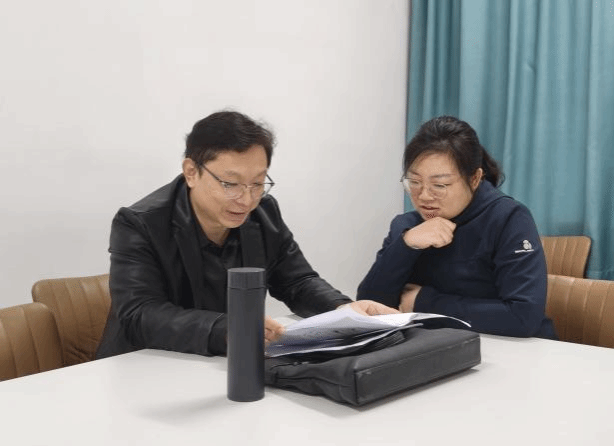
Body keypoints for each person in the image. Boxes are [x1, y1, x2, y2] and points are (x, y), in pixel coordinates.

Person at [96, 110, 397, 359]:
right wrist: (228, 329)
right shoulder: (140, 223)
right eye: (230, 184)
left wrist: (343, 309)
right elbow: (140, 314)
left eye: (258, 183)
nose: (246, 199)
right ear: (191, 172)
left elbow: (297, 281)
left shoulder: (264, 213)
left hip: (225, 364)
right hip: (146, 367)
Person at [357, 116, 557, 339]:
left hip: (517, 349)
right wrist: (406, 245)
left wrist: (424, 303)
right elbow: (368, 306)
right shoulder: (407, 226)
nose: (424, 196)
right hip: (437, 347)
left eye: (439, 185)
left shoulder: (508, 218)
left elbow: (523, 317)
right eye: (414, 182)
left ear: (475, 179)